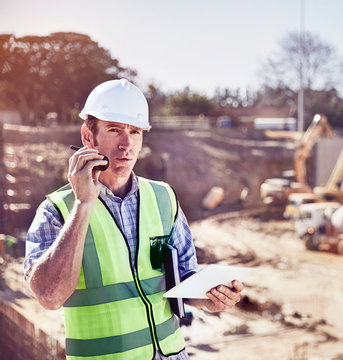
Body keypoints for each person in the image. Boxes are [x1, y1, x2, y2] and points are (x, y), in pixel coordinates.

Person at [23, 79, 244, 360]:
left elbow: (183, 279)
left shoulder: (163, 197)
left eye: (135, 132)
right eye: (114, 130)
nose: (126, 144)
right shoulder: (56, 210)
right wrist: (83, 204)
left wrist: (211, 298)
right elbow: (49, 297)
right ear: (88, 137)